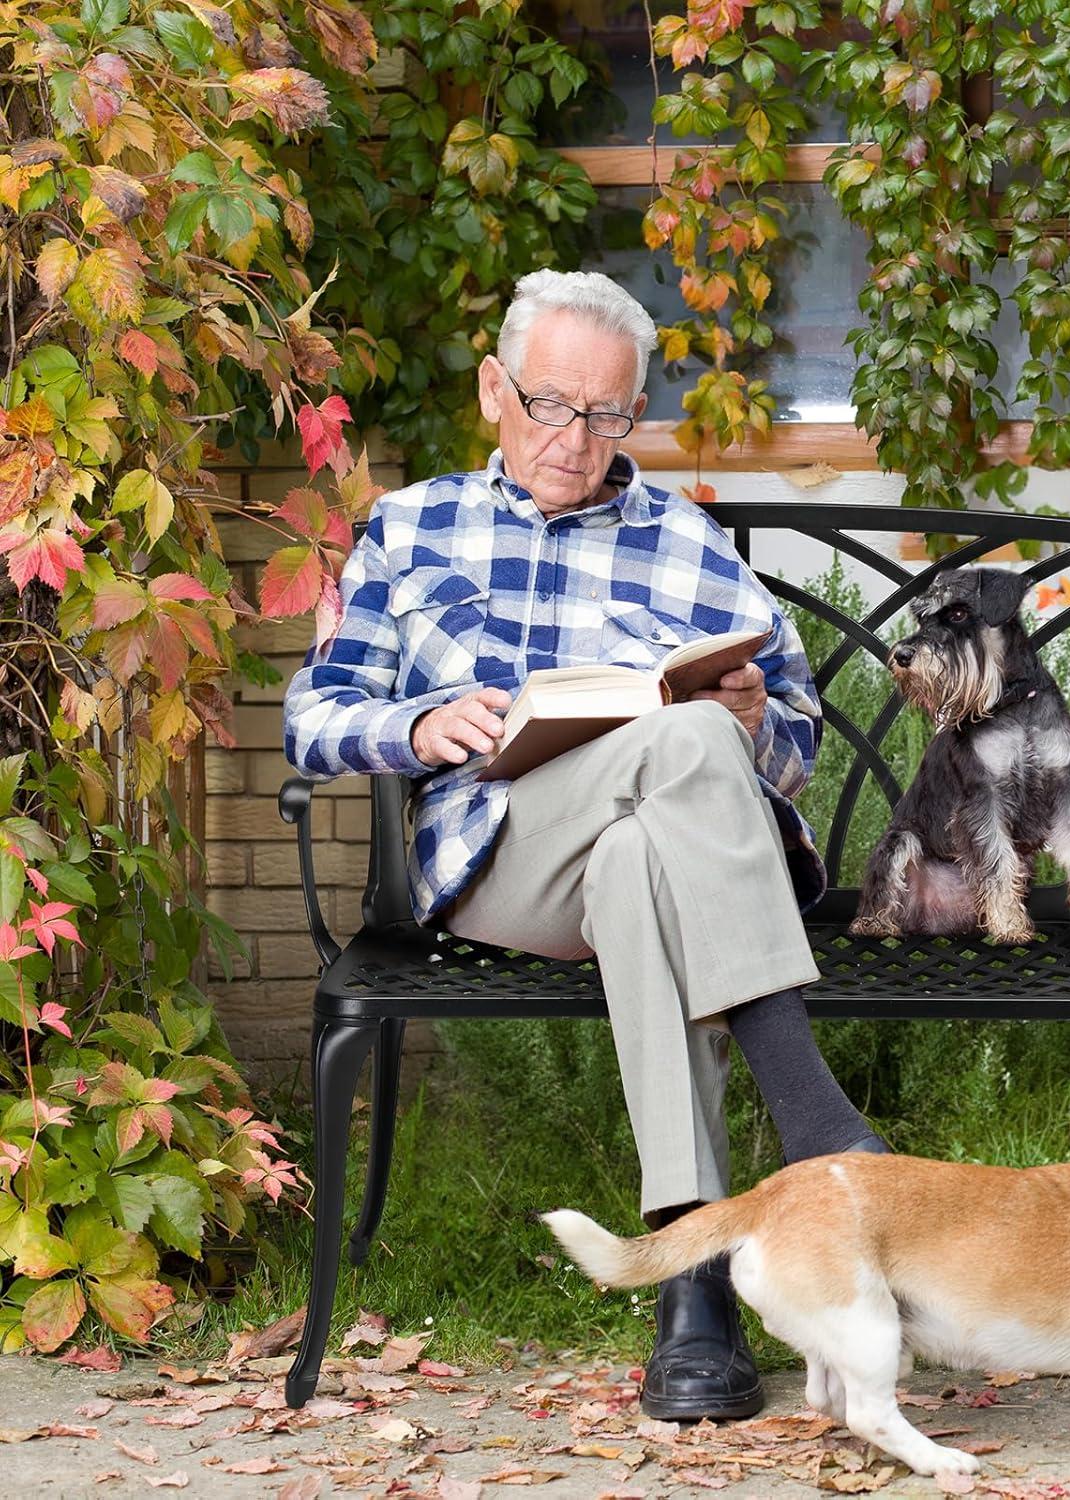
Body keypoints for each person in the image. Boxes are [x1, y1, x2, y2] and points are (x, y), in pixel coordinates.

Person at [282, 269, 887, 1421]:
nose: (579, 441)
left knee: (656, 835)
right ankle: (817, 1123)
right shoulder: (409, 530)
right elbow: (312, 722)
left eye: (611, 416)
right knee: (691, 743)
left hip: (646, 862)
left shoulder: (688, 541)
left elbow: (798, 737)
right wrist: (414, 723)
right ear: (494, 391)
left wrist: (757, 730)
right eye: (555, 407)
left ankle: (693, 1284)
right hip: (493, 855)